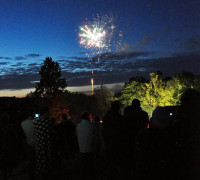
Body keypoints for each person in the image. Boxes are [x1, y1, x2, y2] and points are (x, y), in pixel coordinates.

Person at [33, 107, 56, 180]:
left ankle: (41, 174)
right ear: (46, 113)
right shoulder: (49, 122)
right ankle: (48, 174)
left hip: (39, 143)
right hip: (48, 143)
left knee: (40, 159)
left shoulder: (35, 122)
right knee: (48, 160)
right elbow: (52, 134)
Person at [76, 111, 95, 179]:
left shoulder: (78, 125)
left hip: (82, 147)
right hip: (90, 147)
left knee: (84, 162)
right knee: (90, 163)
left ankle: (84, 174)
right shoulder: (92, 125)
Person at [21, 113, 35, 180]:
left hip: (28, 144)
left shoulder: (23, 123)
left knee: (30, 161)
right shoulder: (36, 122)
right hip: (36, 144)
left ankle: (31, 175)